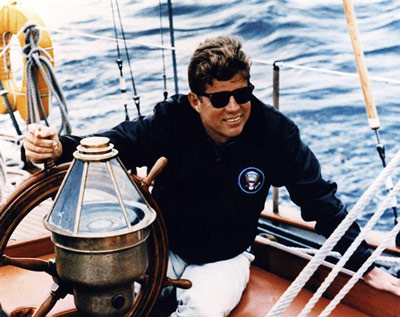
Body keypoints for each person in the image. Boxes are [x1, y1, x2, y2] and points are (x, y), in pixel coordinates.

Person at [24, 36, 400, 316]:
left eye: (243, 94)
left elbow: (319, 199)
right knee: (108, 298)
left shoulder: (275, 134)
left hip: (225, 258)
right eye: (220, 99)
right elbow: (116, 144)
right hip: (162, 248)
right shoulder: (171, 120)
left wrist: (364, 266)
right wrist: (58, 148)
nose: (234, 108)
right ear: (195, 100)